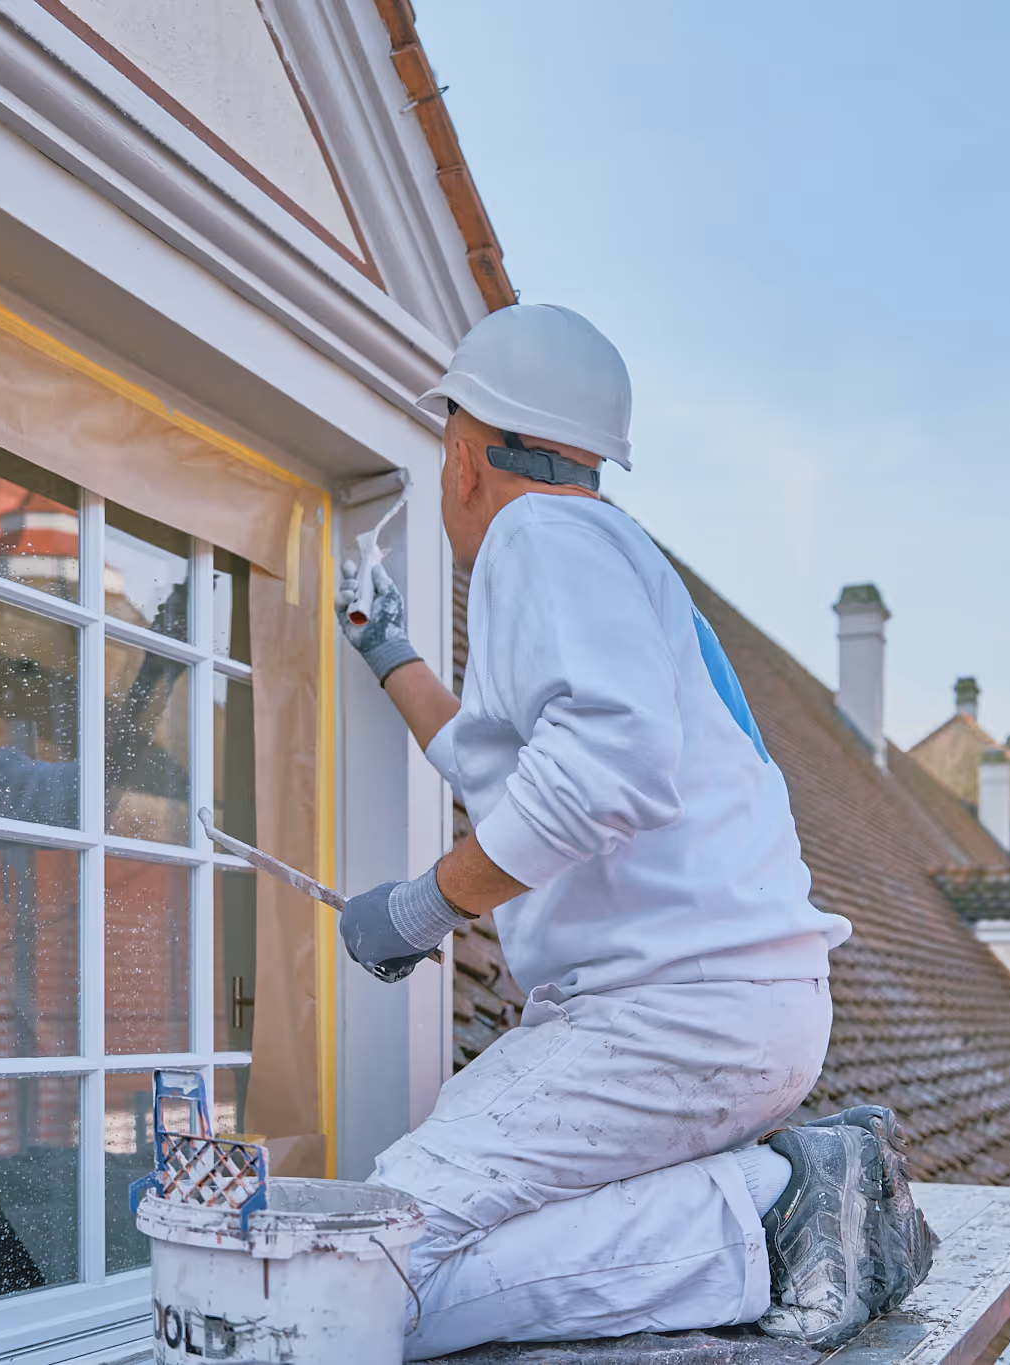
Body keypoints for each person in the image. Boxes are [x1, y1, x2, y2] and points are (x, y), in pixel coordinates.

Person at [333, 304, 935, 1358]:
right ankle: (774, 1202)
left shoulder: (540, 537)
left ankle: (773, 1212)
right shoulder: (601, 559)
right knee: (456, 1235)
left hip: (673, 1015)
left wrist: (424, 909)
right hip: (718, 1011)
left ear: (465, 458)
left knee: (371, 1265)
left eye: (441, 461)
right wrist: (387, 654)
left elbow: (606, 770)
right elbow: (500, 760)